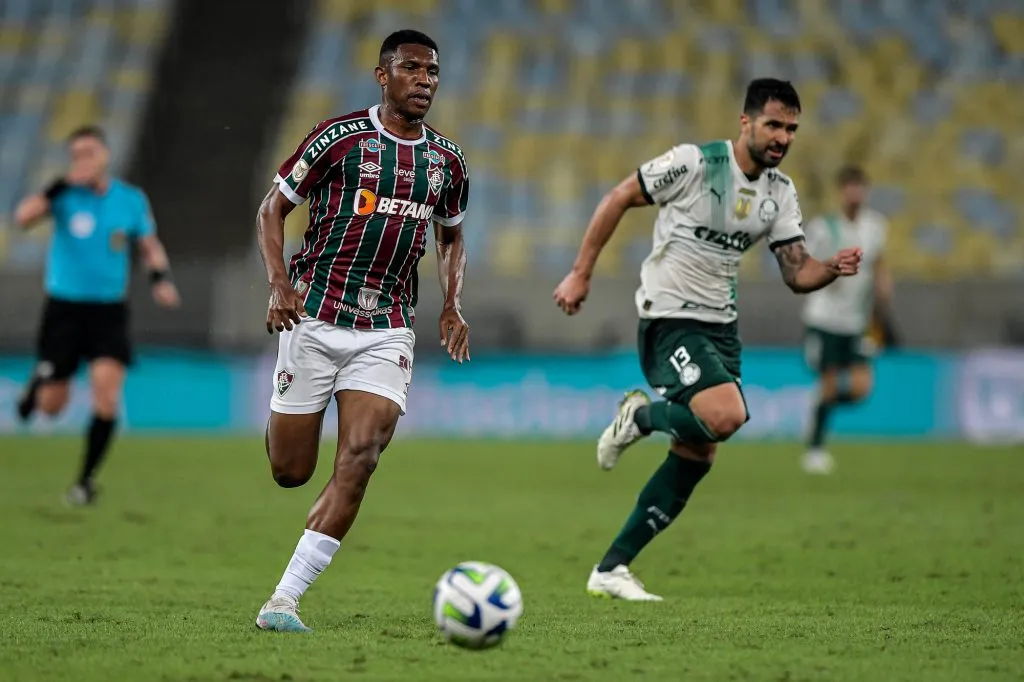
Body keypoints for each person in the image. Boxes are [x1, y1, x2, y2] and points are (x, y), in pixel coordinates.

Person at [553, 79, 862, 601]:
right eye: (773, 124)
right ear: (746, 123)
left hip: (721, 328)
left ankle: (611, 569)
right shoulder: (694, 164)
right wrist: (581, 273)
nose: (782, 136)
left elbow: (796, 272)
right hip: (669, 316)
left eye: (791, 128)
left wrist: (829, 268)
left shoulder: (779, 194)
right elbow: (619, 197)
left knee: (698, 453)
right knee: (727, 416)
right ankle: (641, 417)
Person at [254, 29, 471, 632]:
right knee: (289, 471)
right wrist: (280, 284)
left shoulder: (446, 162)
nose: (425, 80)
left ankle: (283, 601)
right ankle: (284, 423)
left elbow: (451, 235)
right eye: (412, 68)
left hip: (387, 329)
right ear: (383, 75)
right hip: (314, 316)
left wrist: (451, 303)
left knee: (362, 455)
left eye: (432, 71)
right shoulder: (340, 138)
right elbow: (272, 208)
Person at [13, 124, 181, 505]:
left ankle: (85, 481)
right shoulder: (63, 195)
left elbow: (149, 244)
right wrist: (56, 186)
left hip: (108, 311)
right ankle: (39, 383)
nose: (84, 160)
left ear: (105, 155)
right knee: (51, 409)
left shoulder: (130, 199)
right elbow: (22, 218)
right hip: (64, 310)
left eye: (90, 152)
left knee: (106, 396)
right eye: (77, 155)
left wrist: (160, 279)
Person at [800, 165, 893, 474]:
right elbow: (806, 265)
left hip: (856, 321)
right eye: (849, 187)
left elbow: (879, 262)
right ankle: (815, 449)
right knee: (828, 381)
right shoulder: (825, 227)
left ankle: (817, 406)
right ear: (841, 192)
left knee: (860, 387)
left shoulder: (876, 227)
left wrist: (882, 284)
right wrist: (829, 274)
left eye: (859, 187)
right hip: (825, 318)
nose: (854, 193)